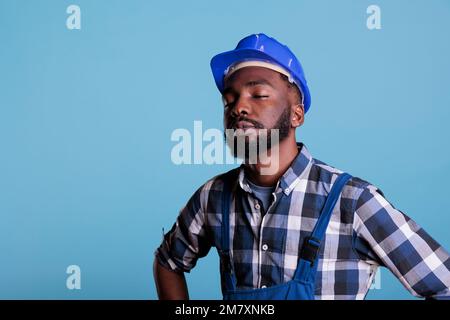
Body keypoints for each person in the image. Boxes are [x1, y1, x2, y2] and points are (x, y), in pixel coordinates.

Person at [153, 33, 450, 300]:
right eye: (230, 100)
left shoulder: (353, 201)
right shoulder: (213, 197)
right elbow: (167, 263)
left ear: (296, 116)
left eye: (258, 95)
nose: (239, 107)